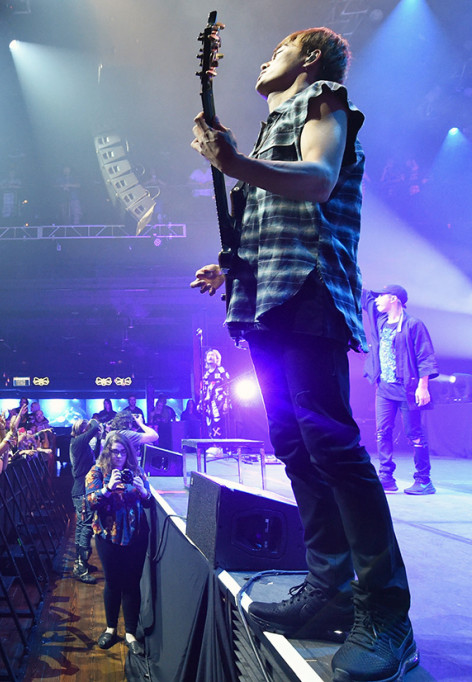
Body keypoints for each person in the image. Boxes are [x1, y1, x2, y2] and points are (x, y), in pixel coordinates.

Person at [190, 27, 416, 681]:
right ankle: (329, 590)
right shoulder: (268, 134)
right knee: (294, 443)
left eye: (281, 47)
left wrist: (231, 166)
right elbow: (274, 220)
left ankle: (386, 617)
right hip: (266, 301)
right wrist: (228, 267)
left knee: (333, 445)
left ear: (310, 58)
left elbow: (316, 182)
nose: (266, 57)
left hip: (310, 294)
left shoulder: (325, 99)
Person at [362, 285, 438, 495]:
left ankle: (424, 480)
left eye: (382, 297)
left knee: (414, 433)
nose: (377, 300)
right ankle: (386, 477)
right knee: (382, 432)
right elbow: (366, 297)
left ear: (394, 299)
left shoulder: (414, 324)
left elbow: (425, 357)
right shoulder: (381, 320)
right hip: (384, 388)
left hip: (407, 389)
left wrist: (423, 387)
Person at [84, 430, 153, 655]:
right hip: (108, 536)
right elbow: (89, 502)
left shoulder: (136, 471)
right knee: (113, 583)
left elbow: (148, 502)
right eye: (115, 452)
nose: (119, 456)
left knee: (132, 584)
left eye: (123, 452)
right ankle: (111, 628)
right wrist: (107, 489)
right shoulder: (97, 471)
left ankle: (131, 633)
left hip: (136, 536)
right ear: (108, 452)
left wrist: (144, 493)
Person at [68, 417, 101, 584]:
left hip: (82, 490)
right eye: (86, 428)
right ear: (82, 430)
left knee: (84, 526)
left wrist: (100, 438)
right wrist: (94, 422)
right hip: (81, 491)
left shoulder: (81, 444)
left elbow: (95, 456)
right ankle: (80, 567)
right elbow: (95, 427)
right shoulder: (78, 442)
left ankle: (82, 563)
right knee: (85, 526)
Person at [199, 349, 231, 438]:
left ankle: (221, 445)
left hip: (219, 402)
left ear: (217, 358)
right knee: (209, 422)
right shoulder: (205, 375)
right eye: (208, 355)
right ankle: (212, 442)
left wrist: (226, 402)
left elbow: (228, 386)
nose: (210, 357)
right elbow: (203, 390)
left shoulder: (221, 371)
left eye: (212, 355)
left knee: (219, 422)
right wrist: (200, 403)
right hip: (208, 403)